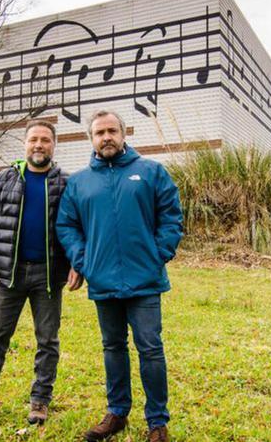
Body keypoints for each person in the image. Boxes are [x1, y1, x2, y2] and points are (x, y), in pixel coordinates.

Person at [56, 110, 183, 442]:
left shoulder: (151, 172)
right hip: (103, 280)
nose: (106, 137)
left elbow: (171, 215)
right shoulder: (79, 183)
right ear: (92, 139)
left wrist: (159, 253)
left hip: (145, 280)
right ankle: (117, 413)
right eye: (99, 132)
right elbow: (67, 226)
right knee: (113, 346)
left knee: (150, 348)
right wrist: (84, 261)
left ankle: (157, 421)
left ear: (124, 134)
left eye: (112, 130)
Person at [0, 119, 82, 426]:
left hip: (48, 275)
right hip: (9, 274)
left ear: (54, 145)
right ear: (24, 144)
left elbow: (79, 228)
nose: (39, 145)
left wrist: (76, 265)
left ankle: (40, 401)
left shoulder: (66, 184)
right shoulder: (4, 180)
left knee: (47, 341)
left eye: (45, 140)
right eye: (33, 140)